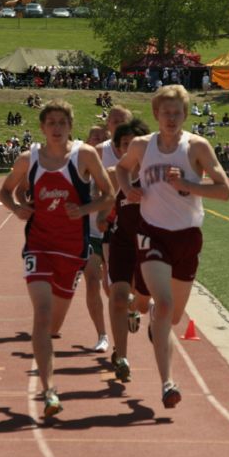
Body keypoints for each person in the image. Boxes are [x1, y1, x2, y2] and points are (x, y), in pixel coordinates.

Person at [115, 85, 229, 408]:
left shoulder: (196, 147)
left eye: (176, 112)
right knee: (164, 305)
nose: (170, 118)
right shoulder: (142, 146)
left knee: (173, 316)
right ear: (155, 114)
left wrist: (189, 185)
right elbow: (122, 169)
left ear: (185, 115)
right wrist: (127, 190)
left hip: (187, 238)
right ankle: (167, 383)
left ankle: (147, 309)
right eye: (165, 112)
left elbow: (225, 190)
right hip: (152, 233)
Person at [0, 99, 114, 417]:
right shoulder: (29, 159)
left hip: (72, 250)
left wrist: (85, 210)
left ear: (70, 125)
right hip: (38, 245)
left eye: (62, 122)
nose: (57, 127)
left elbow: (109, 194)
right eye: (51, 122)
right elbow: (5, 191)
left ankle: (48, 378)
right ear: (42, 127)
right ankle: (50, 392)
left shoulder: (84, 156)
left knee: (54, 324)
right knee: (42, 314)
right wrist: (18, 208)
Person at [104, 119, 151, 383]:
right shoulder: (113, 174)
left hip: (150, 244)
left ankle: (142, 311)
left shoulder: (156, 174)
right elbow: (102, 199)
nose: (131, 149)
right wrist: (104, 215)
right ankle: (121, 356)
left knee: (141, 302)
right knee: (118, 296)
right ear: (120, 149)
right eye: (125, 145)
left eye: (137, 144)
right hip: (122, 242)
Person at [86, 105, 133, 353]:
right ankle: (103, 335)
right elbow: (77, 176)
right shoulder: (98, 152)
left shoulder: (139, 150)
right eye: (112, 120)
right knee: (93, 282)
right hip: (93, 229)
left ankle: (129, 312)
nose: (115, 123)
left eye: (121, 120)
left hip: (123, 230)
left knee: (113, 287)